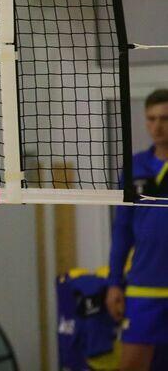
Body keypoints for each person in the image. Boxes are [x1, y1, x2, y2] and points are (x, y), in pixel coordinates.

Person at [106, 88, 168, 371]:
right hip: (144, 286)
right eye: (151, 119)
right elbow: (122, 230)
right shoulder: (134, 167)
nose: (157, 126)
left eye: (165, 119)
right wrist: (114, 282)